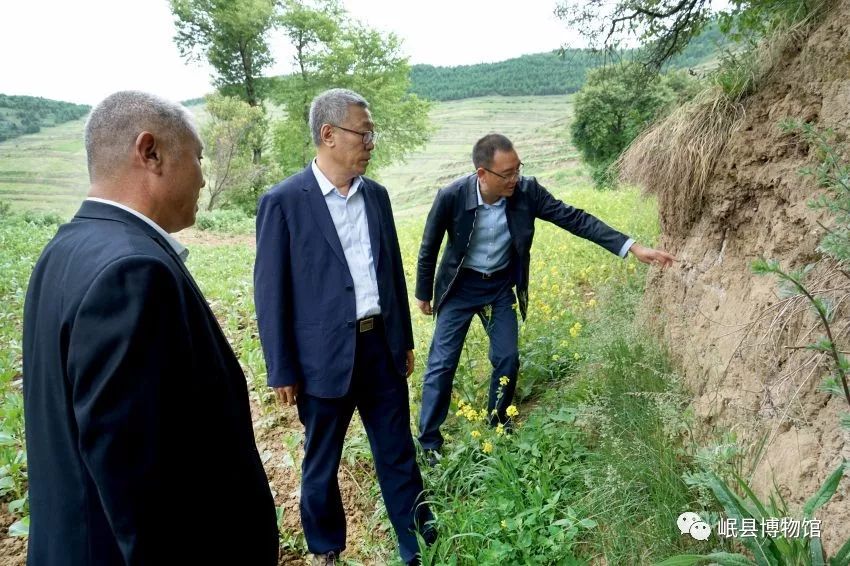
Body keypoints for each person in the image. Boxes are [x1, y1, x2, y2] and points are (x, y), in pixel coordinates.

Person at [21, 91, 279, 566]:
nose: (204, 178)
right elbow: (144, 491)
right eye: (198, 157)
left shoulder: (64, 251)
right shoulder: (134, 272)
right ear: (151, 152)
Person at [254, 88, 433, 566]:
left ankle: (419, 546)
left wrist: (404, 340)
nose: (371, 142)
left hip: (380, 349)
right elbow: (271, 292)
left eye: (372, 132)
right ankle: (326, 548)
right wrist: (281, 368)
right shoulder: (284, 201)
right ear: (328, 135)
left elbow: (391, 271)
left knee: (397, 454)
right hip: (320, 359)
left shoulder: (376, 196)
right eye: (364, 132)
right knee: (321, 462)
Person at [415, 133, 676, 459]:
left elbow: (574, 218)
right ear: (482, 174)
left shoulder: (527, 192)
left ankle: (498, 422)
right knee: (441, 365)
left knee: (507, 357)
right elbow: (429, 247)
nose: (515, 179)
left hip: (498, 287)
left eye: (517, 170)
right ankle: (429, 444)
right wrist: (424, 293)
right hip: (459, 289)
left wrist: (630, 246)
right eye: (506, 173)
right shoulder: (451, 196)